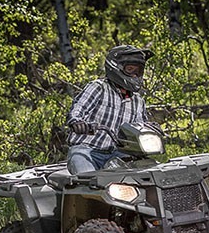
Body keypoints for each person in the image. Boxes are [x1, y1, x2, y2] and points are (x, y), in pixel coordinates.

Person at [66, 45, 157, 175]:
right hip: (87, 150)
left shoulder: (138, 101)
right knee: (87, 178)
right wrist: (76, 122)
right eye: (130, 69)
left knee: (149, 174)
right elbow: (78, 109)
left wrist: (151, 131)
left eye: (139, 71)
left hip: (118, 154)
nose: (135, 75)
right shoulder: (98, 88)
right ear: (116, 67)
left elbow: (140, 128)